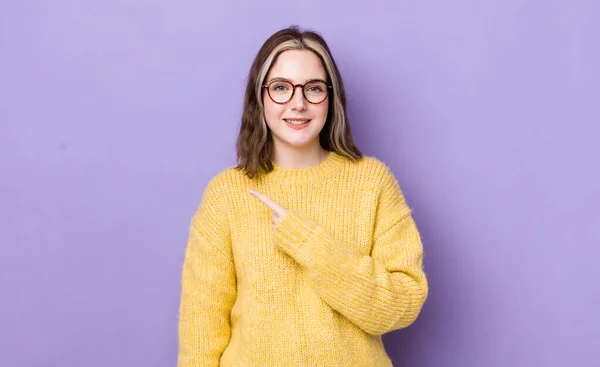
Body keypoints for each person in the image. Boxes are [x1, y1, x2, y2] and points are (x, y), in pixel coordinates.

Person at [177, 26, 428, 366]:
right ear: (260, 97)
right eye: (281, 88)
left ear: (331, 97)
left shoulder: (373, 182)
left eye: (313, 88)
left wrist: (311, 245)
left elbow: (401, 305)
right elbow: (201, 332)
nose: (298, 103)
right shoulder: (226, 194)